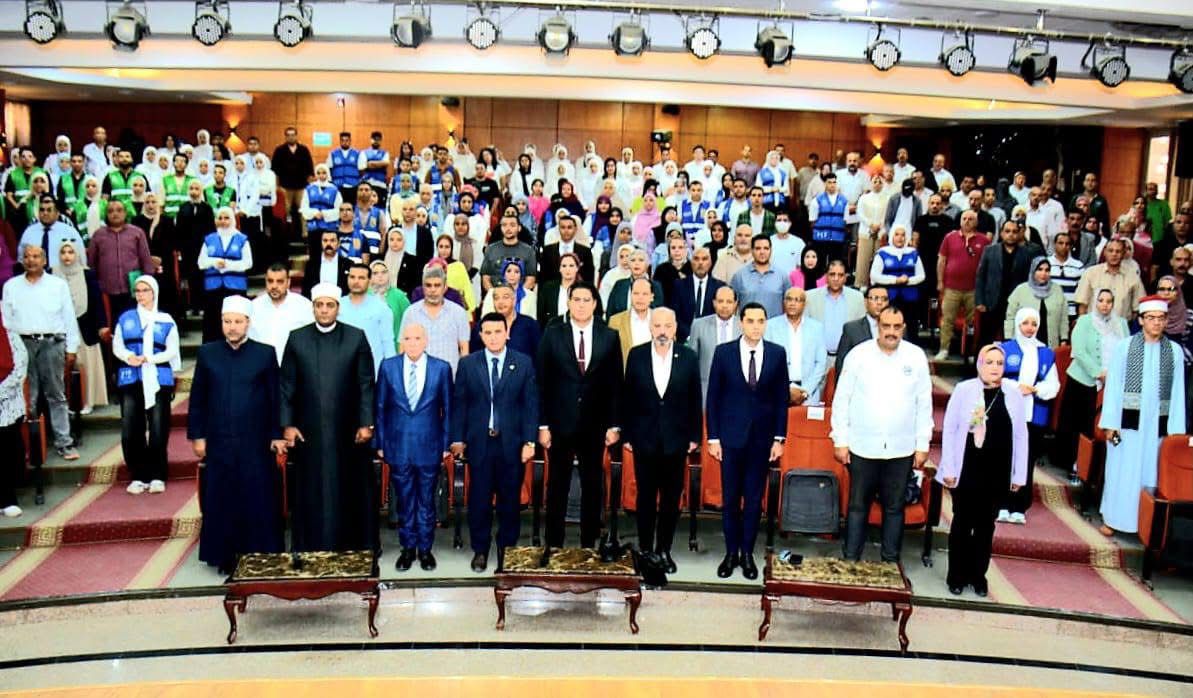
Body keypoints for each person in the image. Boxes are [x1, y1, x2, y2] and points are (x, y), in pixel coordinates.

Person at [189, 295, 285, 573]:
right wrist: (198, 436)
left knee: (257, 496)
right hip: (219, 441)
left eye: (238, 322)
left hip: (255, 442)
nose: (232, 327)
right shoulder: (208, 353)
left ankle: (259, 554)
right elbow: (198, 398)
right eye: (227, 321)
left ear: (248, 323)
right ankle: (225, 556)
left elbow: (275, 398)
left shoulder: (265, 353)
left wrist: (277, 433)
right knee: (223, 498)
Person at [279, 283, 377, 553]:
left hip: (348, 431)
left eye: (329, 305)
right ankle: (310, 546)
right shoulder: (297, 338)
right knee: (311, 489)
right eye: (319, 305)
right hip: (308, 432)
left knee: (349, 487)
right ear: (313, 308)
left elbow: (366, 383)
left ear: (337, 308)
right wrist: (288, 424)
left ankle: (352, 547)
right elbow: (286, 384)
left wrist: (366, 422)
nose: (324, 310)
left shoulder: (355, 337)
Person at [832, 306, 933, 562]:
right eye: (886, 326)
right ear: (878, 326)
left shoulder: (916, 356)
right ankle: (851, 559)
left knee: (894, 507)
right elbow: (841, 399)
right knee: (858, 506)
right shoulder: (859, 355)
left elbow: (924, 403)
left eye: (896, 327)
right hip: (862, 445)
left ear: (903, 328)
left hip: (901, 448)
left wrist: (922, 444)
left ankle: (890, 563)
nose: (891, 332)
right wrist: (840, 439)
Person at [937, 344, 1028, 597]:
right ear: (979, 364)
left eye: (1000, 363)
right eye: (989, 362)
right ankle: (956, 576)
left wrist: (1018, 474)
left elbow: (1021, 435)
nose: (995, 368)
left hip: (997, 471)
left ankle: (978, 576)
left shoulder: (1013, 393)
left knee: (986, 527)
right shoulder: (964, 390)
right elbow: (950, 430)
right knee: (962, 523)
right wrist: (949, 467)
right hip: (967, 468)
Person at [706, 302, 789, 579]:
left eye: (760, 321)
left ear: (766, 323)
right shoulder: (724, 352)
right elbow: (713, 397)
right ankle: (731, 553)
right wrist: (713, 437)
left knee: (753, 500)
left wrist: (779, 438)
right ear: (741, 322)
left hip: (762, 441)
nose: (755, 326)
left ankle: (747, 554)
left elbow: (781, 399)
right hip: (730, 438)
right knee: (730, 499)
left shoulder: (777, 353)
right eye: (750, 320)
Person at [536, 281, 622, 548]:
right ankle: (554, 543)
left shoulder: (609, 336)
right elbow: (542, 381)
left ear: (595, 304)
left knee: (592, 485)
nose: (581, 305)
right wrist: (543, 424)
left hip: (595, 424)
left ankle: (588, 543)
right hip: (559, 423)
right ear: (568, 303)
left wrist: (614, 425)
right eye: (576, 300)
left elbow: (615, 384)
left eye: (587, 300)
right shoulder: (553, 334)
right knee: (557, 484)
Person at [451, 312, 539, 572]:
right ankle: (480, 549)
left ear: (507, 333)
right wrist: (457, 438)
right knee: (479, 500)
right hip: (480, 443)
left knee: (509, 501)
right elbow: (460, 404)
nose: (493, 337)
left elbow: (530, 405)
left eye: (498, 331)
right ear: (480, 336)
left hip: (512, 443)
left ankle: (506, 549)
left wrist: (529, 441)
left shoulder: (523, 363)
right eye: (487, 332)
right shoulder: (468, 364)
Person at [618, 307, 701, 572]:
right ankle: (645, 551)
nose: (662, 331)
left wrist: (694, 436)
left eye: (667, 326)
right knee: (645, 497)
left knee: (670, 499)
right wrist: (627, 434)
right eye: (657, 326)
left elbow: (694, 399)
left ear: (675, 328)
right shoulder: (637, 355)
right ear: (650, 328)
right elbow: (627, 397)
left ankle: (663, 550)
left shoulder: (688, 357)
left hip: (676, 440)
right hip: (644, 439)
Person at [1098, 295, 1186, 536]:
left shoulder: (1174, 352)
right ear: (1141, 320)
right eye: (1151, 318)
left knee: (1150, 474)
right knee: (1121, 472)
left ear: (1166, 320)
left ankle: (1143, 526)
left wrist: (1175, 432)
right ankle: (1113, 520)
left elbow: (1177, 393)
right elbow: (1113, 387)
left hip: (1157, 426)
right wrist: (1110, 423)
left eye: (1161, 318)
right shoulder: (1125, 347)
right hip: (1126, 425)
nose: (1156, 322)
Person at [375, 323, 452, 571]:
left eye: (417, 338)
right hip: (397, 446)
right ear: (401, 342)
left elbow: (448, 409)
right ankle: (407, 549)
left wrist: (446, 444)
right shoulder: (388, 367)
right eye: (407, 338)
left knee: (427, 501)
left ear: (426, 340)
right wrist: (380, 443)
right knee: (405, 501)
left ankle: (425, 550)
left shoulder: (441, 368)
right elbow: (380, 407)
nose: (412, 343)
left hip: (430, 446)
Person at [1, 244, 80, 460]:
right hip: (22, 345)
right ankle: (33, 447)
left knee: (56, 394)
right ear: (22, 260)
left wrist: (71, 348)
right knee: (28, 396)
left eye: (36, 256)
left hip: (52, 343)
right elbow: (6, 321)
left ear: (44, 260)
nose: (31, 260)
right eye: (27, 256)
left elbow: (69, 318)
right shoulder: (11, 286)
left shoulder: (57, 285)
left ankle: (64, 442)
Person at [113, 276, 180, 494]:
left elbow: (172, 350)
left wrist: (150, 358)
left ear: (154, 293)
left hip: (158, 377)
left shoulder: (166, 320)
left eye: (145, 290)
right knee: (131, 428)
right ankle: (138, 474)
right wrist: (129, 356)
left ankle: (158, 474)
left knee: (159, 427)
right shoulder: (126, 318)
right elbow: (117, 345)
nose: (141, 295)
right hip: (131, 376)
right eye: (138, 290)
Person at [1055, 289, 1129, 481]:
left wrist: (1112, 375)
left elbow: (1126, 352)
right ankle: (1074, 464)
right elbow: (1079, 351)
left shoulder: (1121, 323)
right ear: (1094, 302)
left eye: (1109, 301)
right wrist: (1098, 373)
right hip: (1082, 380)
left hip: (1112, 382)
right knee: (1080, 425)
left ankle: (1098, 469)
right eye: (1101, 300)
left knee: (1102, 425)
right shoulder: (1085, 321)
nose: (1105, 305)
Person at [996, 307, 1059, 525]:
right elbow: (995, 377)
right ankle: (1001, 503)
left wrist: (1036, 389)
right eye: (1025, 323)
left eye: (1034, 324)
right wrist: (1016, 387)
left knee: (1026, 459)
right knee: (1005, 457)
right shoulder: (1005, 349)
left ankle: (1019, 506)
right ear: (1018, 324)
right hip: (1008, 413)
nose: (1030, 328)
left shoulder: (1046, 353)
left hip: (1034, 415)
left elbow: (1054, 385)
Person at [56, 241, 108, 414]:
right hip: (60, 327)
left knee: (87, 365)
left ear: (77, 254)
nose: (67, 256)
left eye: (71, 252)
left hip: (85, 326)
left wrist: (101, 325)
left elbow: (97, 302)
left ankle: (88, 401)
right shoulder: (52, 274)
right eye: (63, 252)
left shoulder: (87, 274)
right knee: (64, 366)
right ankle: (68, 403)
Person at [934, 210, 991, 360]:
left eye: (971, 219)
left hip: (974, 290)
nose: (967, 221)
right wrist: (940, 281)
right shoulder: (949, 237)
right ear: (960, 221)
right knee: (947, 320)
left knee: (972, 323)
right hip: (951, 288)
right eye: (964, 218)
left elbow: (988, 266)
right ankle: (944, 349)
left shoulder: (984, 240)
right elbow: (941, 261)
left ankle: (970, 352)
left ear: (976, 222)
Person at [86, 200, 156, 320]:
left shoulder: (137, 233)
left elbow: (146, 260)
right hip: (107, 290)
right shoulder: (98, 235)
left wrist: (148, 285)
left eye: (119, 210)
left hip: (134, 289)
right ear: (106, 214)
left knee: (135, 322)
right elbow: (92, 263)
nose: (115, 214)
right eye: (111, 211)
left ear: (125, 213)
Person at [763, 286, 829, 406]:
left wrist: (805, 391)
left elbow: (821, 363)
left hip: (808, 395)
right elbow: (767, 362)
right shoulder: (770, 326)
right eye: (789, 299)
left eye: (797, 300)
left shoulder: (816, 328)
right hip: (777, 392)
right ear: (784, 302)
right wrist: (786, 389)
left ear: (804, 304)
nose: (792, 303)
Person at [399, 265, 470, 375]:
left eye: (437, 285)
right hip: (418, 377)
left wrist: (462, 376)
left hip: (450, 376)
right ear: (423, 288)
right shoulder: (411, 313)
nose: (432, 290)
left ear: (445, 287)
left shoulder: (458, 312)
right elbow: (402, 347)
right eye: (428, 285)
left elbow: (464, 348)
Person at [196, 206, 252, 343]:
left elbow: (248, 263)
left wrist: (228, 265)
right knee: (212, 323)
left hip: (235, 287)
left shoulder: (242, 239)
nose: (223, 221)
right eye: (220, 218)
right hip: (213, 288)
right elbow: (201, 262)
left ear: (232, 220)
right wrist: (214, 262)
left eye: (226, 218)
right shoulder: (209, 239)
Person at [339, 263, 397, 377]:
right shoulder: (337, 306)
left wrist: (391, 375)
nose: (356, 281)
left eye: (361, 278)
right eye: (352, 277)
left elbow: (388, 344)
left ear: (370, 281)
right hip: (341, 373)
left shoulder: (382, 308)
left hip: (372, 373)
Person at [870, 224, 924, 343]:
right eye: (897, 234)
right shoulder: (882, 253)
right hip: (890, 298)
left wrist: (908, 281)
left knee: (911, 328)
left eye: (903, 235)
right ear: (891, 236)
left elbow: (921, 275)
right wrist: (895, 280)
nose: (900, 238)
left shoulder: (913, 253)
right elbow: (874, 276)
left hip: (910, 298)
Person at [250, 263, 313, 365]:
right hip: (261, 366)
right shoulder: (253, 307)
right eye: (270, 281)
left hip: (294, 365)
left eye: (279, 281)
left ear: (288, 282)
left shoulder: (304, 306)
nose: (274, 286)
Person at [687, 285, 741, 403]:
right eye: (720, 301)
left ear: (735, 304)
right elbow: (691, 361)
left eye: (729, 302)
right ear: (714, 303)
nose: (724, 306)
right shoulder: (699, 325)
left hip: (737, 392)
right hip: (706, 391)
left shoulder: (743, 326)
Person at [1073, 238, 1145, 321]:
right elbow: (1082, 304)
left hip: (1121, 326)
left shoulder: (1133, 277)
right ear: (1104, 252)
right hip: (1094, 325)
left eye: (1118, 251)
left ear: (1123, 254)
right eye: (1110, 251)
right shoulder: (1091, 273)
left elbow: (1138, 308)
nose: (1114, 254)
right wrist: (1083, 324)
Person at [1004, 257, 1069, 349]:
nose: (1043, 274)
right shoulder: (1020, 290)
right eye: (1040, 269)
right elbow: (1010, 317)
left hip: (1050, 343)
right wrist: (1009, 338)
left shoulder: (1057, 290)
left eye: (1047, 270)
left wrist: (1064, 339)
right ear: (1033, 270)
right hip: (1024, 344)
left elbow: (1063, 318)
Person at [805, 260, 865, 357]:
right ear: (826, 276)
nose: (836, 279)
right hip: (818, 357)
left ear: (846, 277)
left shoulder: (857, 298)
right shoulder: (810, 297)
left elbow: (861, 330)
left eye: (840, 275)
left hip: (848, 356)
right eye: (832, 274)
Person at [0, 316, 28, 517]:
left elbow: (20, 366)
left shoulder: (9, 334)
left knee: (7, 451)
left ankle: (7, 499)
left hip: (8, 403)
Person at [833, 285, 890, 382]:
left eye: (884, 299)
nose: (880, 303)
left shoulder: (897, 329)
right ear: (865, 302)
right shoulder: (851, 329)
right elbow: (841, 364)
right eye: (875, 298)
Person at [20, 195, 87, 273]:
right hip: (35, 276)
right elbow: (21, 259)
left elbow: (81, 259)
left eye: (49, 210)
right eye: (42, 210)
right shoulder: (29, 233)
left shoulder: (69, 232)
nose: (45, 213)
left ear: (57, 213)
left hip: (63, 276)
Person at [671, 246, 723, 343]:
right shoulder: (679, 285)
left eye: (704, 259)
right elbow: (675, 314)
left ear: (710, 263)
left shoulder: (719, 287)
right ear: (691, 262)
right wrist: (690, 335)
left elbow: (720, 316)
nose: (700, 263)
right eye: (696, 259)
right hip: (685, 340)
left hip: (711, 339)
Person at [731, 235, 790, 319]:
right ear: (752, 250)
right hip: (747, 326)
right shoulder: (739, 276)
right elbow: (732, 307)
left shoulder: (782, 276)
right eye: (758, 248)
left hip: (775, 326)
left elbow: (788, 306)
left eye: (766, 248)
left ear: (771, 250)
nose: (762, 252)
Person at [608, 277, 656, 365]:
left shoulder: (661, 319)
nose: (640, 298)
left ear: (652, 297)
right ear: (630, 295)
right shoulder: (615, 321)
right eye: (636, 293)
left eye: (645, 294)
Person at [368, 260, 409, 351]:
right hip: (369, 347)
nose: (380, 276)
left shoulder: (399, 296)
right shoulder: (364, 296)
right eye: (375, 273)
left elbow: (409, 322)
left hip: (394, 347)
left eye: (384, 272)